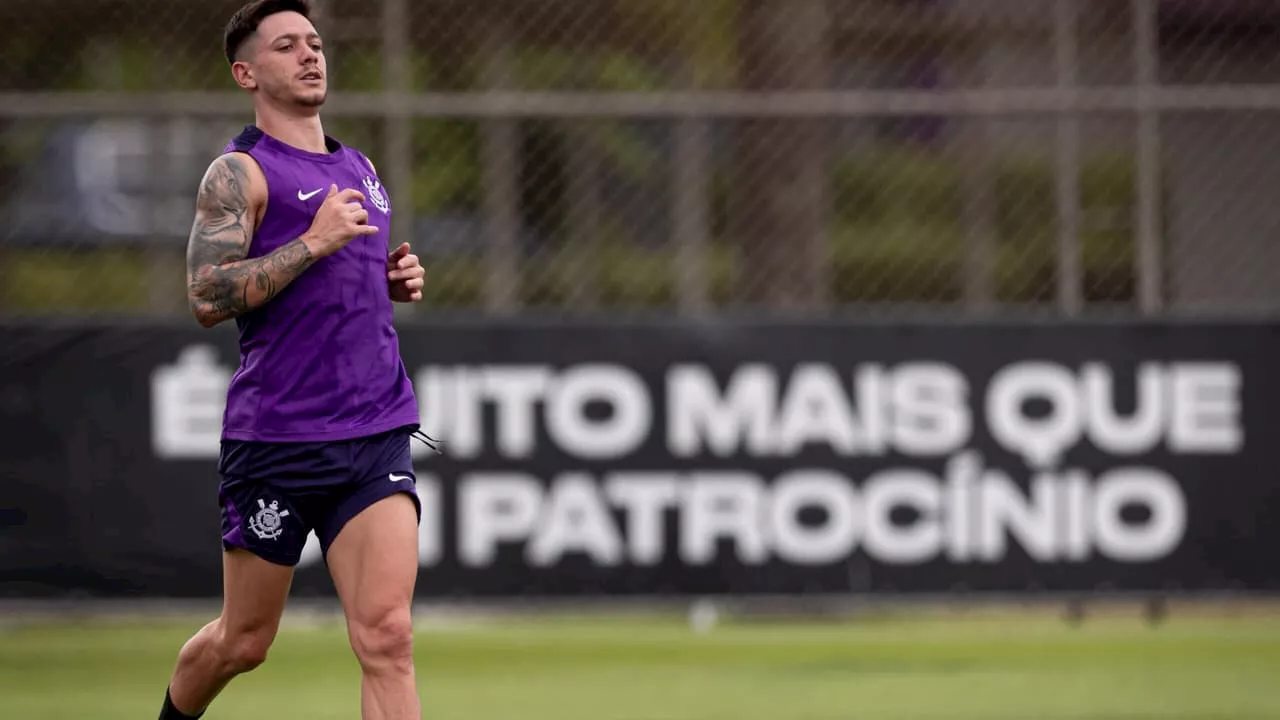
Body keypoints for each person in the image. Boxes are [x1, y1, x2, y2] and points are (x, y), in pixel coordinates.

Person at [156, 1, 433, 718]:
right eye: (286, 46)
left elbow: (338, 284)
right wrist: (313, 242)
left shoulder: (359, 167)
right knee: (243, 642)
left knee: (389, 636)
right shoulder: (239, 173)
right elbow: (207, 294)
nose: (310, 54)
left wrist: (387, 281)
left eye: (314, 42)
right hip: (278, 440)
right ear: (247, 72)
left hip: (374, 430)